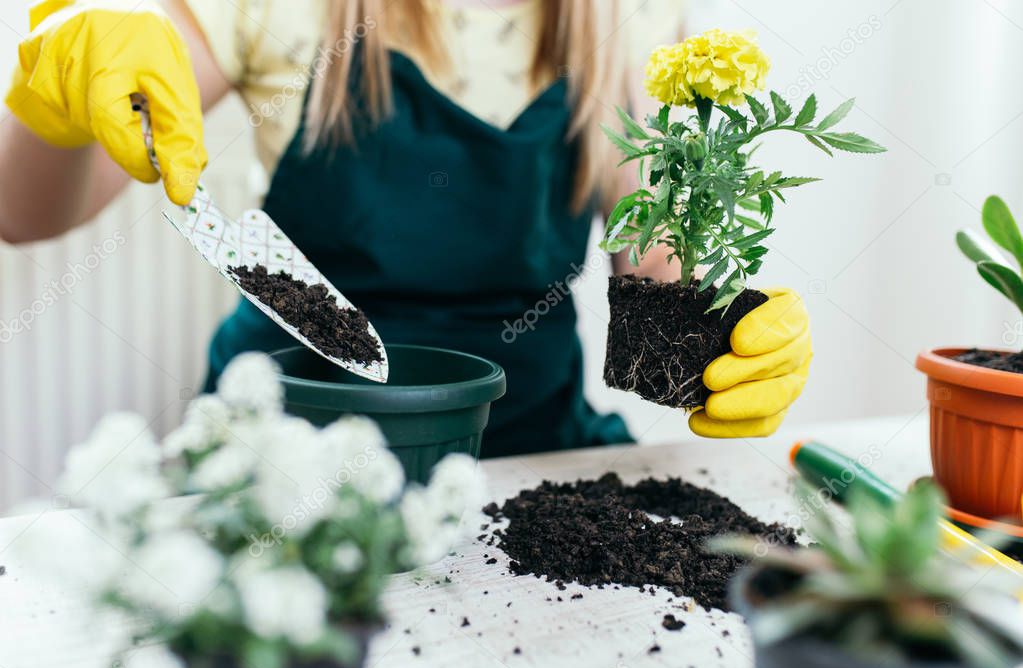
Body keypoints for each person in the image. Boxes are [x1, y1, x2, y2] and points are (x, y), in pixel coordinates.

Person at [0, 0, 811, 456]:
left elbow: (656, 319)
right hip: (283, 455)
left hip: (526, 456)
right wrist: (59, 93)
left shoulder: (625, 20)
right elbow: (22, 212)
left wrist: (727, 348)